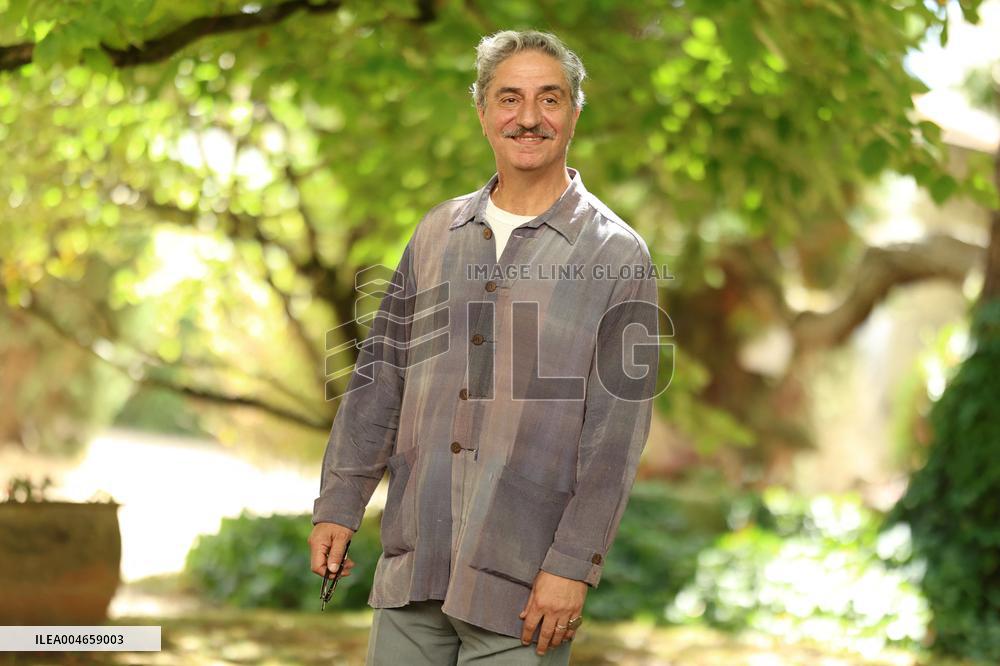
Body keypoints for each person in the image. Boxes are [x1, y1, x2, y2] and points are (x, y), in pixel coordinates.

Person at [308, 29, 661, 665]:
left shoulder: (618, 255)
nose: (528, 118)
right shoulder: (436, 233)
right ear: (482, 111)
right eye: (509, 99)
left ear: (575, 113)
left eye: (549, 99)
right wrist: (339, 502)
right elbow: (380, 379)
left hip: (523, 589)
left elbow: (616, 434)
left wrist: (573, 565)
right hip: (414, 564)